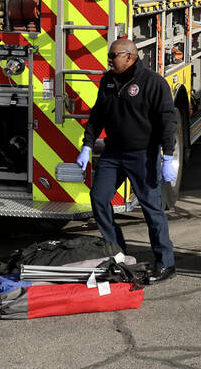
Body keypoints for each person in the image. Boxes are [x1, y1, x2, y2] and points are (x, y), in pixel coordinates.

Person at [77, 38, 178, 283]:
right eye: (109, 56)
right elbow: (97, 115)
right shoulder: (108, 81)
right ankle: (117, 252)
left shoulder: (153, 83)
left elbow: (167, 120)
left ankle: (166, 263)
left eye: (113, 56)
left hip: (143, 154)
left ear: (130, 57)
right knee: (99, 198)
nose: (109, 60)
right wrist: (87, 145)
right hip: (113, 154)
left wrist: (168, 156)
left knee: (151, 208)